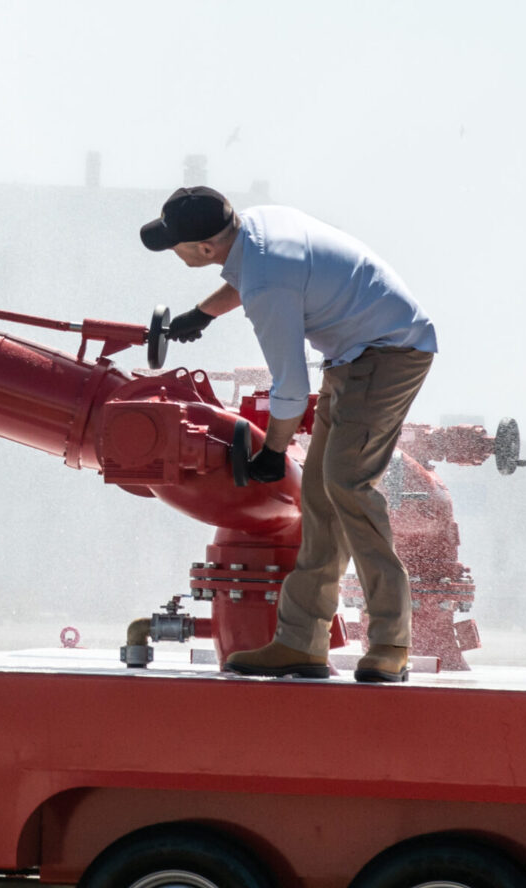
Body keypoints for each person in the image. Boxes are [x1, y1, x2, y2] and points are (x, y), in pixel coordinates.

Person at [140, 186, 437, 682]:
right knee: (319, 495)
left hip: (391, 352)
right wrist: (203, 315)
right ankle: (300, 643)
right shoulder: (255, 227)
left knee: (347, 484)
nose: (174, 251)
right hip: (355, 353)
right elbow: (251, 276)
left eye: (176, 245)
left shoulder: (266, 284)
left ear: (204, 249)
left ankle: (390, 642)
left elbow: (291, 389)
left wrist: (273, 452)